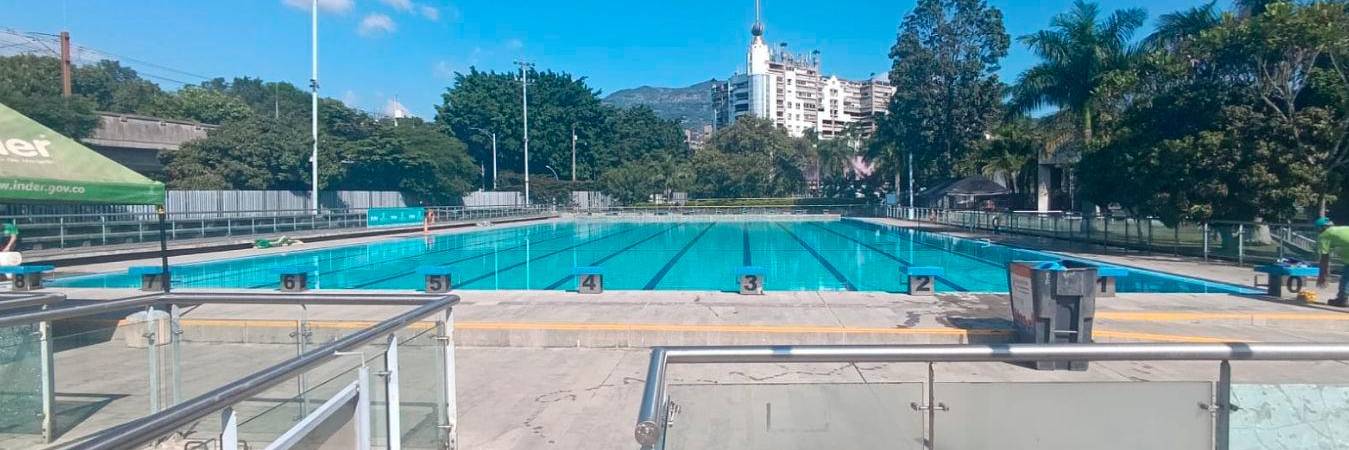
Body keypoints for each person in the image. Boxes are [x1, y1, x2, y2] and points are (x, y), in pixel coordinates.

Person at [1315, 217, 1348, 307]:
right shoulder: (1343, 228)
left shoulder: (1325, 235)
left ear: (1321, 228)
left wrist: (1323, 275)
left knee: (1346, 278)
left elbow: (1324, 258)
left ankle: (1342, 299)